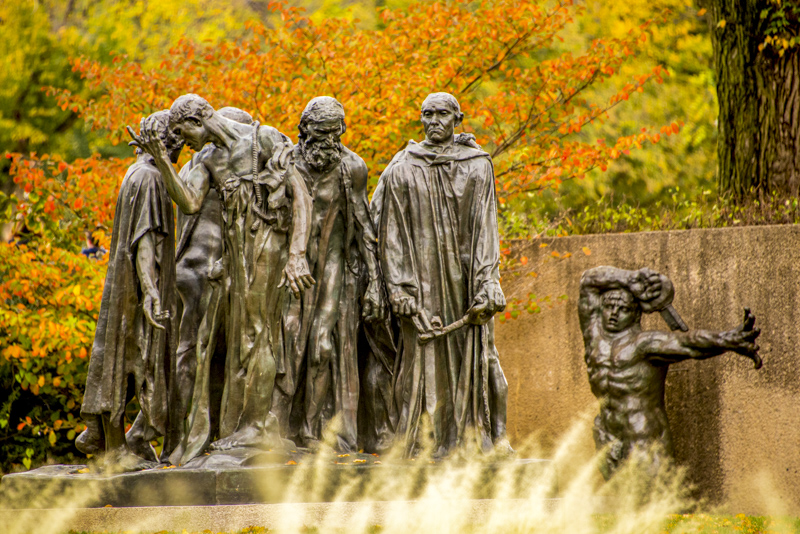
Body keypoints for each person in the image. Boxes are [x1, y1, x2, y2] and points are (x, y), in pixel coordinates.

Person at [129, 94, 314, 453]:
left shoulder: (264, 138)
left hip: (268, 247)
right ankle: (247, 424)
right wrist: (164, 160)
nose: (185, 143)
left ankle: (256, 427)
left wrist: (297, 255)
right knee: (243, 338)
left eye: (185, 133)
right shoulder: (209, 160)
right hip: (236, 254)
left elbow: (301, 196)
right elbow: (188, 202)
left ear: (199, 121)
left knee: (257, 334)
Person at [371, 92, 510, 458]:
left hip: (466, 284)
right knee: (421, 364)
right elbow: (389, 232)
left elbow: (485, 227)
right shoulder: (402, 167)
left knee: (481, 358)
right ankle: (424, 443)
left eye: (442, 114)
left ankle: (481, 439)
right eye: (427, 114)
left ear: (457, 119)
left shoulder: (478, 165)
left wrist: (487, 283)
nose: (434, 121)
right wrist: (399, 287)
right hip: (420, 284)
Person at [271, 97, 384, 452]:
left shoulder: (352, 167)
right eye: (320, 133)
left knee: (321, 346)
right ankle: (276, 428)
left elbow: (365, 227)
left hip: (334, 264)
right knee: (287, 342)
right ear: (303, 129)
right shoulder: (285, 162)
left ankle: (309, 430)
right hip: (290, 267)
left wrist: (376, 284)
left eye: (335, 133)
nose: (327, 141)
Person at [578, 266, 763, 479]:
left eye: (623, 309)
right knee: (621, 508)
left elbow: (689, 343)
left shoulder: (645, 344)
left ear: (636, 314)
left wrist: (727, 340)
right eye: (609, 307)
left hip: (643, 437)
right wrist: (631, 279)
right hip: (608, 435)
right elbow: (587, 281)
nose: (613, 314)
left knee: (652, 503)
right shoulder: (594, 338)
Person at [77, 110, 181, 469]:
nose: (181, 150)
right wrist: (151, 291)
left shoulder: (133, 173)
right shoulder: (151, 179)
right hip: (136, 290)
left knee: (117, 359)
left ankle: (119, 444)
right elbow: (145, 242)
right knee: (130, 363)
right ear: (165, 143)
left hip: (125, 285)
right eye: (178, 142)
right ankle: (116, 449)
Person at [169, 107, 253, 463]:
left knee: (207, 355)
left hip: (203, 269)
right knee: (196, 354)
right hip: (206, 271)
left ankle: (200, 433)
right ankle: (183, 440)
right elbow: (191, 207)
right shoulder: (213, 162)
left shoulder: (199, 164)